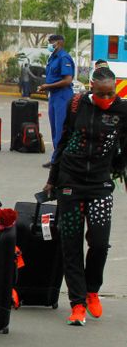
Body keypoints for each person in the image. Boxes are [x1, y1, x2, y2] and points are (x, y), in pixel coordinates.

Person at [44, 67, 126, 326]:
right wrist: (52, 180)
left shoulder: (122, 110)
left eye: (111, 93)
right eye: (101, 93)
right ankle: (77, 303)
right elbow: (63, 142)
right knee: (71, 243)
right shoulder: (76, 104)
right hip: (71, 181)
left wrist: (118, 167)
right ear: (91, 88)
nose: (106, 98)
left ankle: (92, 290)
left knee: (100, 242)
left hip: (101, 184)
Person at [39, 34, 75, 168]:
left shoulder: (63, 57)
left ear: (59, 43)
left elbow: (67, 80)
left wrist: (47, 86)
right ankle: (56, 158)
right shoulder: (53, 57)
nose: (49, 44)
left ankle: (60, 160)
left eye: (51, 42)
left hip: (63, 96)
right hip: (54, 96)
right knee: (55, 129)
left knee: (61, 129)